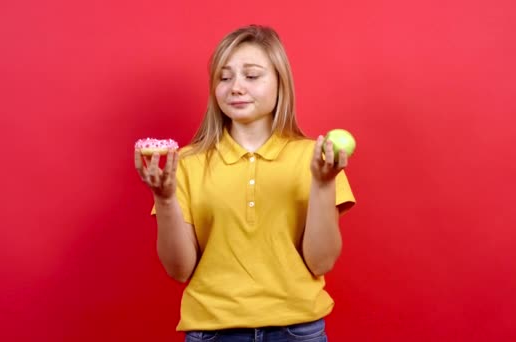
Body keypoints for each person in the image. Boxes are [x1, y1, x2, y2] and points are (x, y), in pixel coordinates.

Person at [135, 24, 356, 342]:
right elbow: (179, 270)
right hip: (211, 331)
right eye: (224, 77)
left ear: (281, 83)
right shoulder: (185, 162)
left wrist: (322, 185)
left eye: (251, 76)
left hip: (298, 331)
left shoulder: (317, 159)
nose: (236, 87)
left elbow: (321, 261)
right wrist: (165, 198)